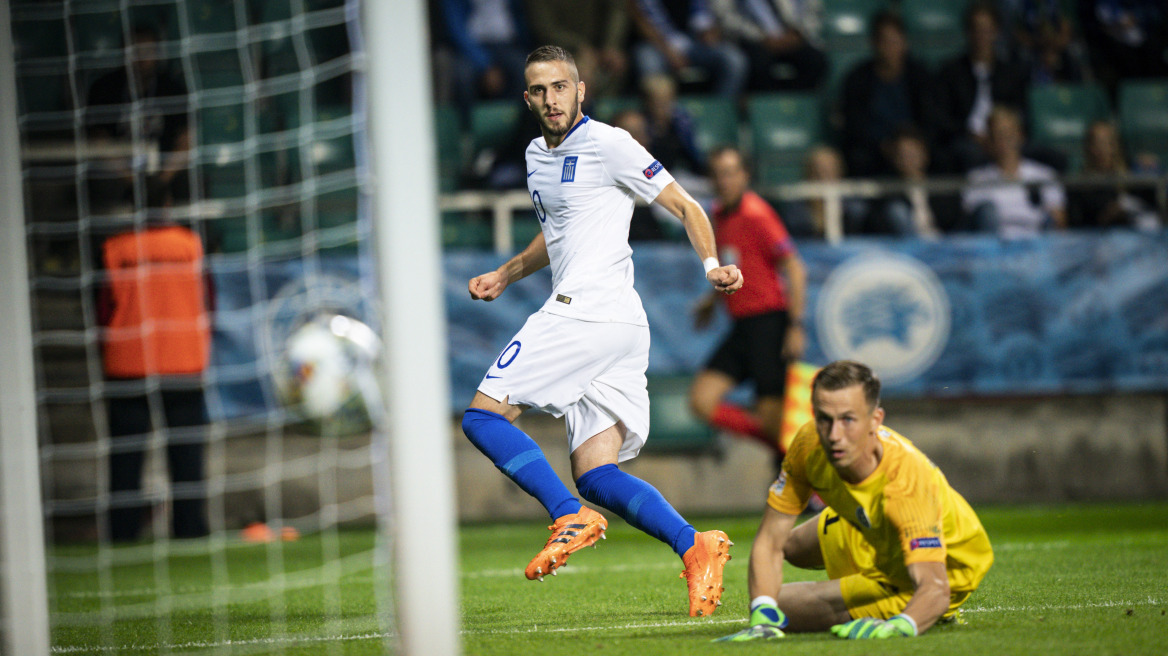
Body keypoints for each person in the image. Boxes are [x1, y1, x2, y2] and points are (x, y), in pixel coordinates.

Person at [462, 45, 742, 617]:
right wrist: (507, 273)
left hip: (586, 312)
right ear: (527, 98)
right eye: (539, 91)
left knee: (482, 416)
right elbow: (559, 231)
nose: (551, 100)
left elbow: (686, 206)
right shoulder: (537, 155)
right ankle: (695, 546)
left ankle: (567, 515)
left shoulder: (609, 143)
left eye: (560, 87)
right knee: (596, 473)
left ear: (580, 90)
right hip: (615, 324)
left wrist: (712, 267)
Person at [716, 360, 993, 642]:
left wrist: (904, 624)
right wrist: (762, 614)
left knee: (786, 607)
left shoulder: (907, 483)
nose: (835, 436)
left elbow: (935, 587)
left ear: (875, 419)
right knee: (781, 570)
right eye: (825, 418)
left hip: (943, 569)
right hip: (869, 526)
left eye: (848, 419)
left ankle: (920, 609)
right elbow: (770, 541)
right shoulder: (809, 443)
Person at [688, 146, 806, 455]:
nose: (722, 181)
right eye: (716, 175)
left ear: (744, 176)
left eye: (729, 173)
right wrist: (710, 302)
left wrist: (795, 326)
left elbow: (794, 267)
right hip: (742, 327)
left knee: (775, 416)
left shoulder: (757, 214)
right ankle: (779, 446)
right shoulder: (717, 215)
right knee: (701, 401)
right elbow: (731, 266)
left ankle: (801, 471)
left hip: (769, 324)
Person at [99, 222, 212, 542]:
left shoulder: (115, 247)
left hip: (128, 362)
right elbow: (208, 299)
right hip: (183, 359)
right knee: (187, 456)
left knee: (126, 458)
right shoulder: (190, 244)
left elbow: (103, 309)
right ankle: (190, 530)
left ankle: (122, 533)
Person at [86, 24, 191, 209]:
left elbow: (186, 142)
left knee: (187, 182)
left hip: (162, 173)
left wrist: (159, 182)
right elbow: (98, 141)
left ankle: (181, 237)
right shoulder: (104, 88)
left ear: (157, 54)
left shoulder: (173, 89)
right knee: (100, 183)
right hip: (119, 173)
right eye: (135, 51)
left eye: (148, 51)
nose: (141, 58)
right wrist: (132, 181)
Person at [838, 11, 938, 178]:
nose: (890, 47)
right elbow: (853, 125)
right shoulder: (857, 79)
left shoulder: (921, 76)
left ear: (905, 42)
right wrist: (886, 146)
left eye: (895, 41)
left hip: (915, 146)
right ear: (874, 43)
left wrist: (916, 143)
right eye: (884, 41)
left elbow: (932, 118)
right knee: (858, 158)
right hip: (876, 149)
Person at [934, 2, 1031, 173]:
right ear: (968, 32)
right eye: (977, 30)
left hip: (1005, 138)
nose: (982, 36)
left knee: (1050, 156)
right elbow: (942, 119)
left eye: (987, 30)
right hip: (967, 139)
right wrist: (973, 135)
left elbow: (1021, 113)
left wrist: (1002, 136)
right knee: (970, 154)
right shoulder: (950, 72)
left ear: (996, 32)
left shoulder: (1010, 73)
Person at [962, 105, 1066, 238]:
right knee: (986, 211)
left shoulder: (1044, 175)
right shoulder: (976, 179)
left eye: (1008, 135)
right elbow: (974, 222)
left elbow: (1059, 221)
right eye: (998, 136)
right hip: (994, 250)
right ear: (989, 142)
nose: (1004, 142)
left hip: (1036, 246)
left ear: (1020, 136)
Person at [628, 0, 749, 98]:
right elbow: (643, 23)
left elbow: (702, 18)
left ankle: (718, 115)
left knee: (733, 60)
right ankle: (657, 119)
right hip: (656, 45)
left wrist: (709, 32)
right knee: (647, 61)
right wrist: (669, 52)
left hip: (692, 44)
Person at [709, 0, 828, 92]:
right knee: (758, 64)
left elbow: (806, 12)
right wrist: (761, 37)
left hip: (786, 36)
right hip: (751, 38)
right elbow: (725, 17)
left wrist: (796, 33)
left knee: (815, 60)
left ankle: (796, 109)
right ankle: (767, 111)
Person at [1067, 120, 1161, 231]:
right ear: (1087, 148)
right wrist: (1105, 217)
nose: (1102, 149)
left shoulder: (1133, 176)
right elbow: (1077, 226)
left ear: (1116, 146)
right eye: (1096, 143)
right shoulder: (1080, 186)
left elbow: (1154, 207)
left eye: (1108, 143)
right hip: (1098, 241)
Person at [524, 0, 630, 99]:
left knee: (616, 65)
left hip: (597, 47)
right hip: (557, 48)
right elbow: (545, 30)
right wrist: (579, 48)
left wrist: (610, 46)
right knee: (580, 74)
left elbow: (616, 11)